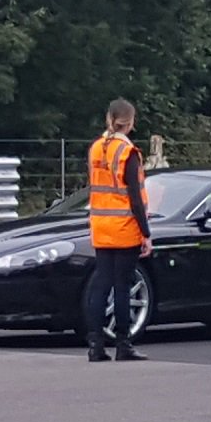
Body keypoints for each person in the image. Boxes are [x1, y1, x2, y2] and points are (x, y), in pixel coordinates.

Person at [84, 98, 153, 363]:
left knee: (101, 284)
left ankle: (95, 345)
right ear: (131, 122)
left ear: (108, 119)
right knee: (122, 286)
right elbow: (135, 197)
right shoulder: (128, 152)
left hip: (100, 225)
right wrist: (145, 232)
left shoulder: (95, 149)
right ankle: (123, 344)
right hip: (124, 227)